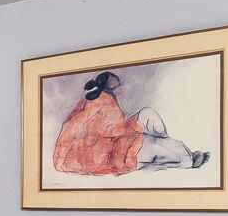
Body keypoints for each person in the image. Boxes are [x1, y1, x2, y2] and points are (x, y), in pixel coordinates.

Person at [51, 71, 210, 176]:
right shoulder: (92, 105)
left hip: (117, 137)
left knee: (148, 114)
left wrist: (132, 128)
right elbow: (74, 131)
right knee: (159, 147)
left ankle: (169, 147)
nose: (116, 86)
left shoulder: (105, 100)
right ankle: (186, 160)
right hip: (113, 151)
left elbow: (114, 127)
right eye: (114, 83)